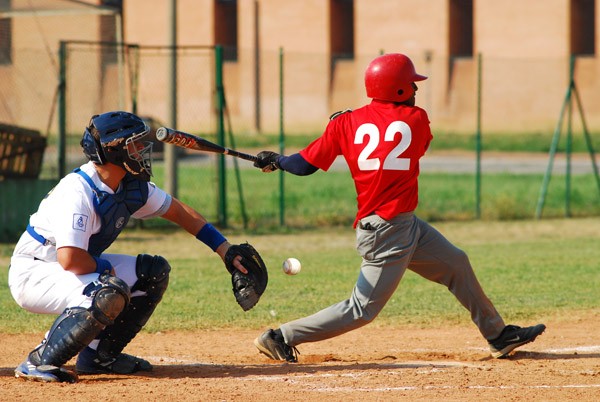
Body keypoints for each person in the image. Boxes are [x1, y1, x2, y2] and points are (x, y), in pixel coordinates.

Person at [251, 53, 545, 362]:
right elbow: (414, 146)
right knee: (361, 309)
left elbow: (302, 166)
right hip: (387, 229)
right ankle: (280, 336)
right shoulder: (416, 120)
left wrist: (277, 161)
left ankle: (497, 335)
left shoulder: (346, 123)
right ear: (398, 90)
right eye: (411, 84)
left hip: (403, 225)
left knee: (456, 263)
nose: (415, 90)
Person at [8, 111, 249, 383]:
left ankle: (100, 357)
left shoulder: (128, 186)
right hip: (35, 272)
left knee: (153, 271)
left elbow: (180, 212)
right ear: (113, 150)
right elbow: (70, 259)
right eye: (134, 144)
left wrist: (224, 249)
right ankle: (38, 361)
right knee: (108, 291)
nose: (142, 150)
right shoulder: (78, 191)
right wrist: (104, 269)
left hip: (71, 266)